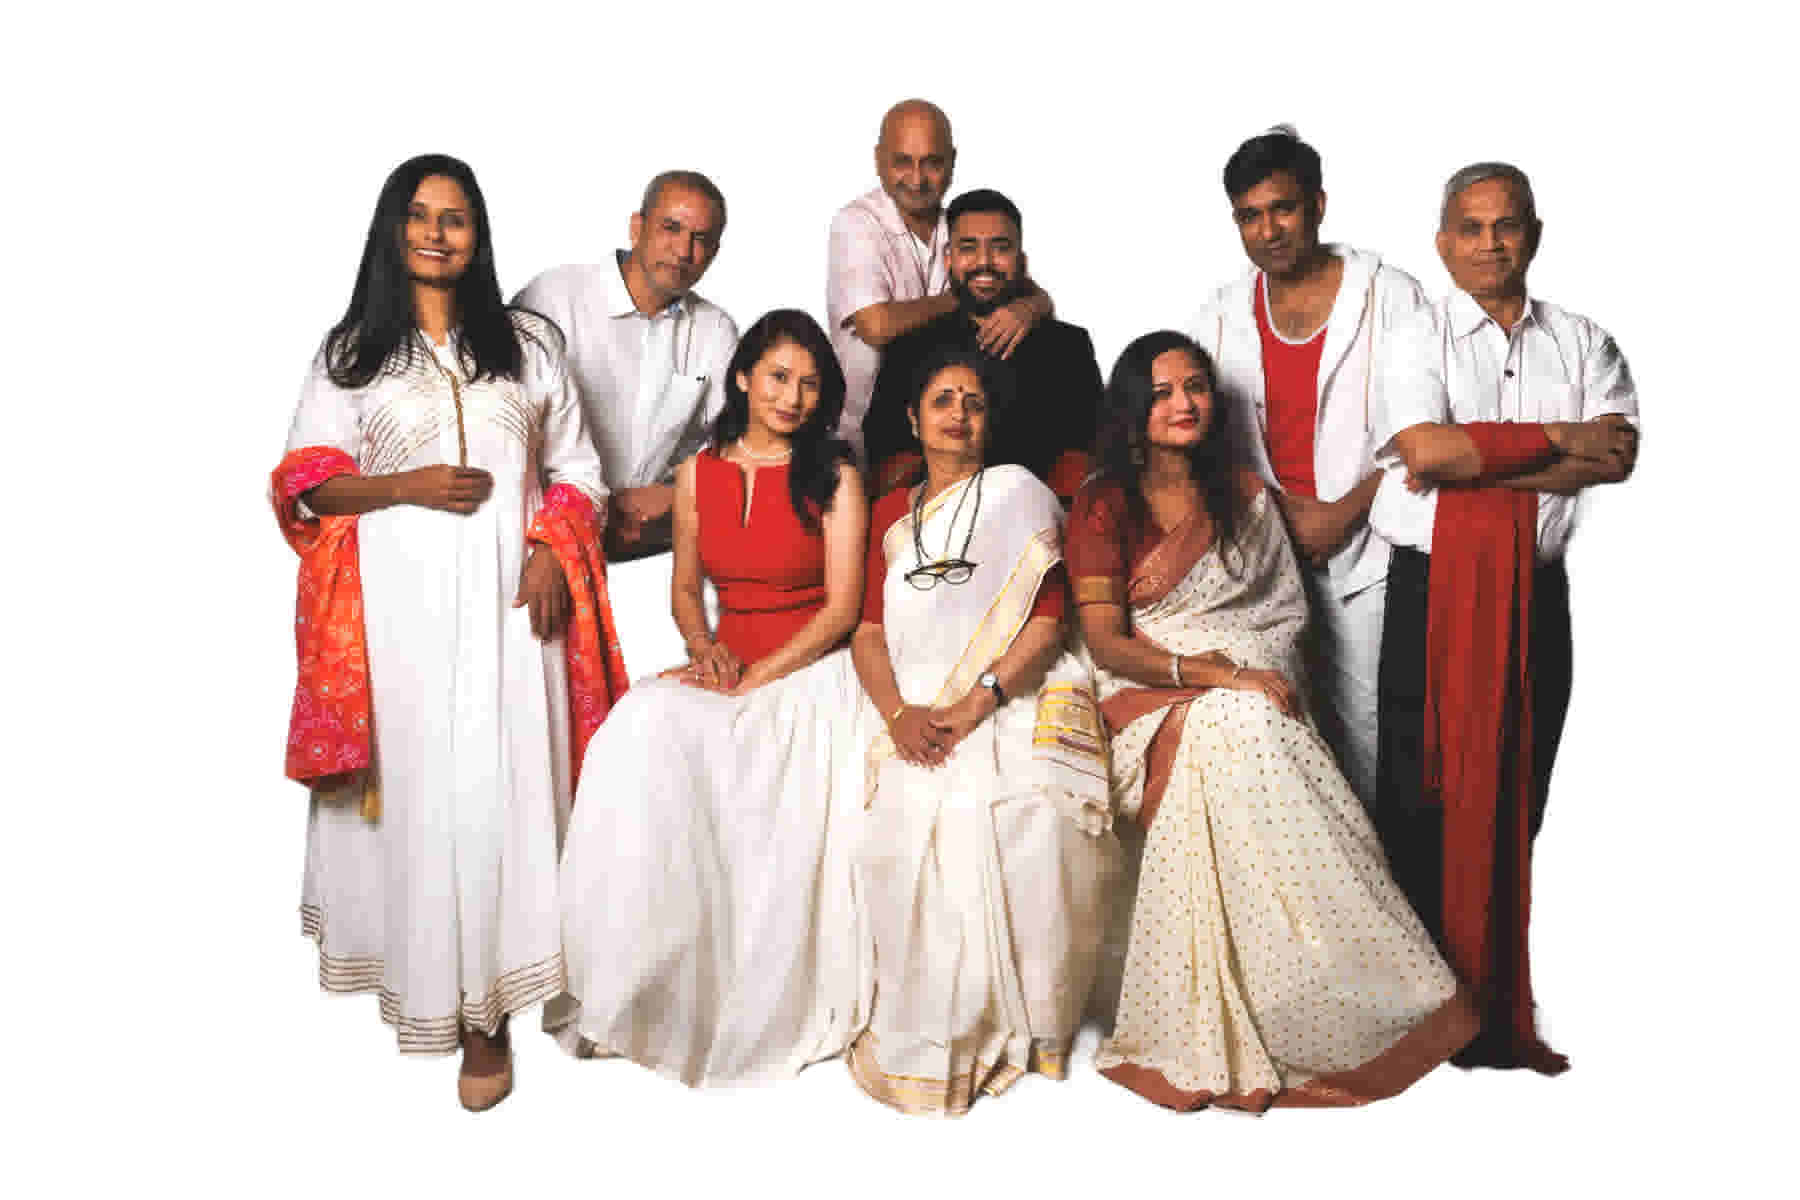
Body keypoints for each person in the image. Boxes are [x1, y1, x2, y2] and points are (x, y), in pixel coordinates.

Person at [271, 154, 626, 1111]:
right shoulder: (353, 352)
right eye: (421, 216)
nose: (437, 233)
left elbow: (580, 471)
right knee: (435, 796)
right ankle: (454, 1002)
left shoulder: (529, 345)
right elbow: (306, 482)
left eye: (456, 218)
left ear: (478, 235)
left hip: (518, 614)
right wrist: (406, 485)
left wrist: (550, 548)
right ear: (394, 230)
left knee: (510, 792)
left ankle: (506, 1003)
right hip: (403, 622)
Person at [1069, 331, 1477, 1113]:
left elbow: (1287, 607)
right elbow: (1107, 642)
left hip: (1249, 687)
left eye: (1196, 387)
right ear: (1132, 408)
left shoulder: (1244, 494)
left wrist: (1242, 669)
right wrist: (1218, 672)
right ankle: (1293, 993)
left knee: (1249, 726)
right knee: (1243, 725)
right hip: (1143, 695)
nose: (1184, 403)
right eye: (1162, 392)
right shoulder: (1105, 502)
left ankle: (1338, 997)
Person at [552, 309, 875, 1086]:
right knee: (636, 728)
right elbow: (684, 592)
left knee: (754, 762)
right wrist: (704, 649)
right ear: (742, 377)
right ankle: (634, 979)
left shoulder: (837, 476)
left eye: (810, 384)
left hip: (814, 668)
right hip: (729, 660)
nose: (793, 397)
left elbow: (841, 608)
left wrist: (761, 677)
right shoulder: (698, 474)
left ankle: (751, 989)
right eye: (778, 377)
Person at [1368, 163, 1639, 1074]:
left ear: (1534, 234)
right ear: (1443, 243)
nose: (1490, 244)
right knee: (1421, 791)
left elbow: (1616, 457)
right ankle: (1422, 1014)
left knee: (1521, 791)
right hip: (1431, 588)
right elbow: (1425, 451)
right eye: (1472, 228)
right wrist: (1560, 441)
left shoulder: (1585, 341)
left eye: (1506, 225)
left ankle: (1488, 1007)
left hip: (1536, 594)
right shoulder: (1415, 333)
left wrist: (1474, 462)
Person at [848, 346, 1119, 1116]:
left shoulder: (1019, 495)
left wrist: (980, 701)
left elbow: (1048, 621)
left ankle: (1034, 1025)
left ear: (991, 420)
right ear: (912, 418)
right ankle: (933, 1020)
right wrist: (899, 715)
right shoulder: (889, 515)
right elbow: (868, 631)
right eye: (943, 400)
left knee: (1026, 807)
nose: (959, 414)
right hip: (911, 704)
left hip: (1009, 693)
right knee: (905, 815)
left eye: (974, 402)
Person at [1191, 126, 1432, 807]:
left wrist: (1341, 514)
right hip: (1265, 555)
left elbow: (1427, 428)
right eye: (1250, 216)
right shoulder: (1221, 314)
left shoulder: (1391, 296)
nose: (1268, 230)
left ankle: (1379, 874)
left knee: (1373, 738)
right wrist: (1273, 515)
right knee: (1282, 736)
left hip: (1374, 551)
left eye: (1283, 209)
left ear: (1318, 205)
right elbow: (1203, 437)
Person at [515, 171, 738, 675]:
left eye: (701, 239)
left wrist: (676, 493)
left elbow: (744, 445)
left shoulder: (715, 332)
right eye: (671, 228)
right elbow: (503, 424)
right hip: (543, 539)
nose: (683, 251)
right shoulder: (554, 298)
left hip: (645, 550)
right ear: (637, 227)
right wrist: (560, 528)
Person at [827, 100, 1052, 459]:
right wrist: (967, 295)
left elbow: (1011, 280)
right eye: (903, 162)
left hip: (949, 430)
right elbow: (876, 325)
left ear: (952, 161)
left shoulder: (959, 225)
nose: (917, 180)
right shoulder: (856, 223)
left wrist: (1032, 306)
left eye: (932, 163)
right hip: (862, 435)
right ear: (878, 160)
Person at [863, 188, 1103, 500]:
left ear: (1021, 260)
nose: (984, 262)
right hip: (934, 517)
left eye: (1000, 248)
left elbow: (1094, 453)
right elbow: (883, 452)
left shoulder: (1067, 346)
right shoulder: (909, 346)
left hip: (1040, 518)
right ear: (949, 259)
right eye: (968, 248)